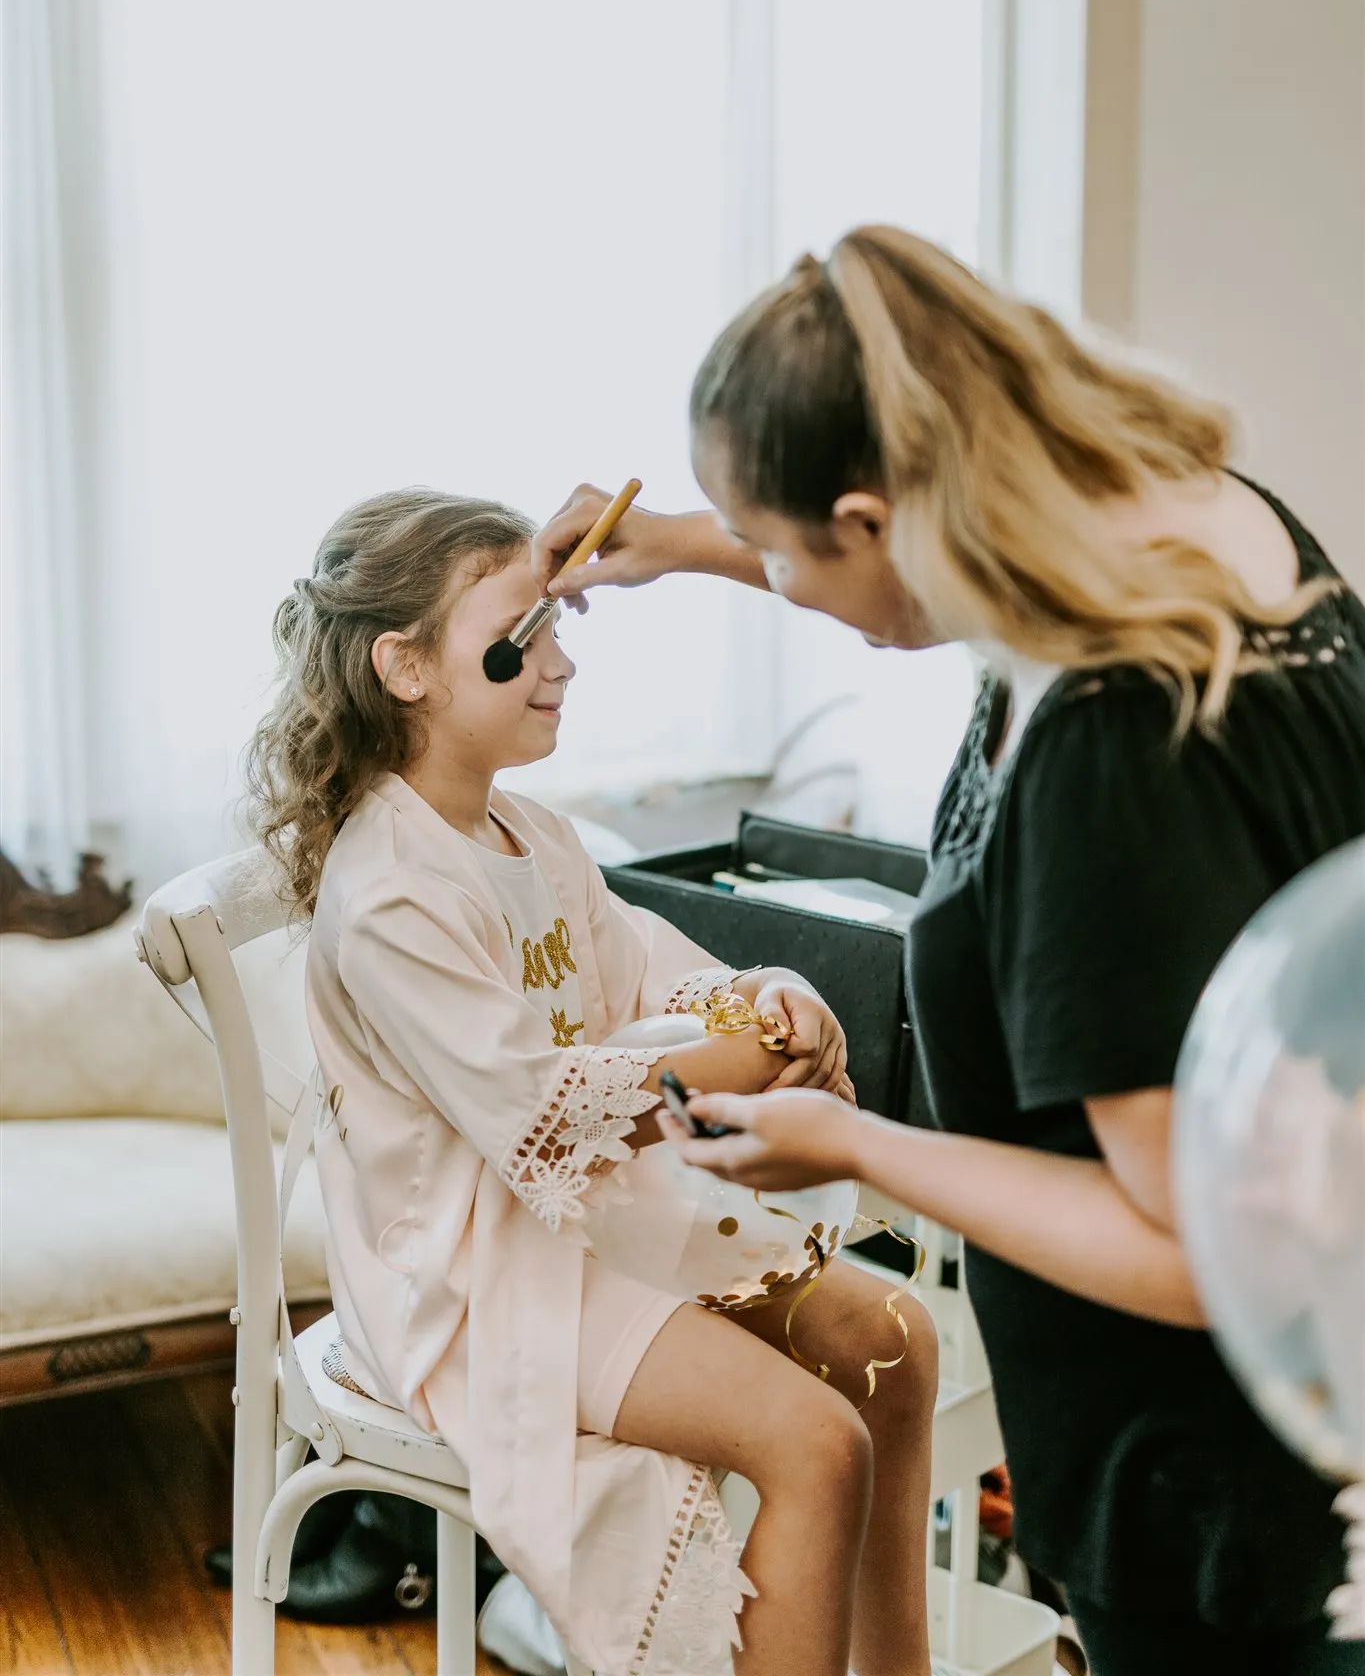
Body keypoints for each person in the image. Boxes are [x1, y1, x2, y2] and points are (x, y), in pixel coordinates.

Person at [533, 225, 1365, 1676]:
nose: (781, 580)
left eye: (787, 552)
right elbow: (915, 558)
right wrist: (681, 547)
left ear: (871, 521)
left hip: (1207, 1466)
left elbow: (1193, 1251)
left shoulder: (1117, 757)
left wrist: (855, 1145)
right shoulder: (1180, 526)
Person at [246, 488, 938, 1676]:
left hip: (583, 1233)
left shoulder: (530, 836)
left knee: (895, 1341)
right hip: (476, 1287)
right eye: (528, 632)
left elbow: (649, 968)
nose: (562, 659)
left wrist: (776, 994)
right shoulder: (391, 892)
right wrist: (740, 1056)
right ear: (404, 665)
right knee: (814, 1442)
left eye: (562, 625)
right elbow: (541, 1114)